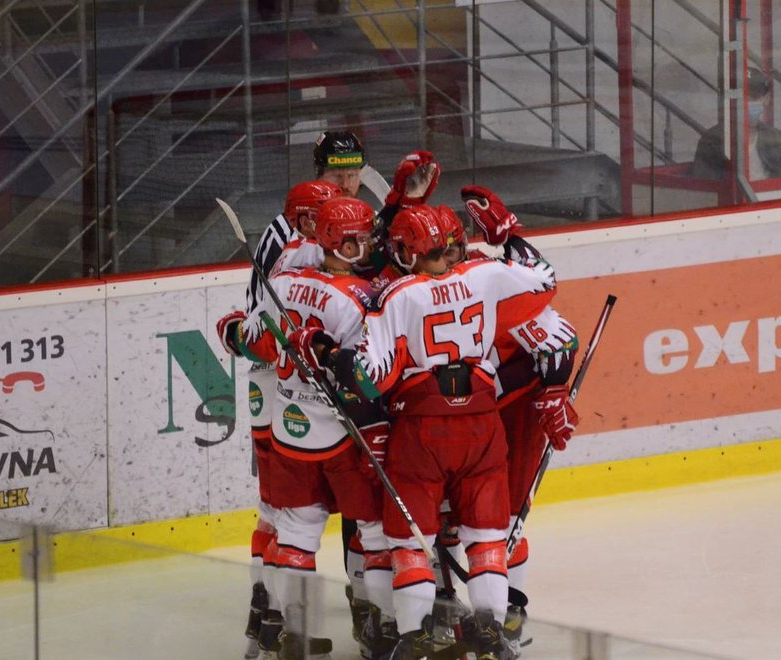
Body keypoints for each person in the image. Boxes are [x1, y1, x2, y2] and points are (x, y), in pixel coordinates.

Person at [294, 205, 574, 659]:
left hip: (421, 430)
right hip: (482, 427)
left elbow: (370, 376)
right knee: (486, 540)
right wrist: (509, 236)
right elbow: (544, 278)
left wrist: (325, 354)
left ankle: (412, 636)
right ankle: (492, 634)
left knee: (408, 542)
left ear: (410, 251)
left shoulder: (399, 295)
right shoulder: (486, 275)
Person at [239, 196, 397, 659]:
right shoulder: (360, 299)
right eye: (355, 238)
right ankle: (387, 626)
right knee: (374, 532)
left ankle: (294, 631)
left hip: (293, 430)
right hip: (345, 435)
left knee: (296, 531)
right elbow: (367, 376)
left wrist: (233, 327)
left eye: (367, 236)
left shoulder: (282, 284)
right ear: (330, 239)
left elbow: (251, 340)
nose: (365, 245)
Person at [215, 179, 342, 660]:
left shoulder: (280, 247)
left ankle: (264, 616)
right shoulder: (305, 254)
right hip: (292, 389)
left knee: (272, 509)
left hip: (263, 382)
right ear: (308, 216)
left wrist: (234, 331)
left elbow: (248, 328)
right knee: (293, 511)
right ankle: (280, 621)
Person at [459, 189, 579, 655]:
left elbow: (559, 343)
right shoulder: (441, 285)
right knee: (461, 520)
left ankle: (509, 610)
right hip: (464, 418)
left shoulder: (499, 285)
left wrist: (552, 393)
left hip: (512, 418)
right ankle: (464, 609)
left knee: (503, 519)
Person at [692, 66, 781, 181]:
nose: (745, 104)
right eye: (739, 98)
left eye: (752, 98)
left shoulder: (775, 137)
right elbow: (707, 188)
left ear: (766, 98)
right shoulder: (712, 140)